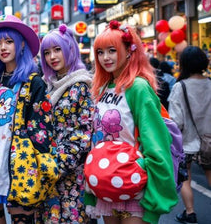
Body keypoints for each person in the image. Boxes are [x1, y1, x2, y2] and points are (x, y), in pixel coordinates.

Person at [0, 15, 56, 224]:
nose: (2, 48)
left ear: (21, 44)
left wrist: (39, 168)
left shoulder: (34, 83)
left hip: (19, 168)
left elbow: (41, 131)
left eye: (8, 42)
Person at [87, 20, 177, 224]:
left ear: (129, 50)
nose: (105, 58)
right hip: (106, 183)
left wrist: (155, 196)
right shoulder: (102, 89)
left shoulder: (138, 88)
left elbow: (156, 143)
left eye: (112, 50)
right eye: (100, 52)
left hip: (135, 184)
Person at [39, 24, 94, 223]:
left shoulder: (81, 85)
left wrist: (55, 165)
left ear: (70, 49)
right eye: (46, 52)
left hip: (72, 176)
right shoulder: (49, 84)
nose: (52, 56)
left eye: (57, 50)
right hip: (48, 174)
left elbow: (84, 135)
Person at [168, 46, 211, 224]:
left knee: (186, 178)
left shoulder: (180, 87)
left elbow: (175, 120)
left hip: (187, 142)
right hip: (209, 140)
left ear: (183, 64)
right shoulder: (210, 84)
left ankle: (190, 212)